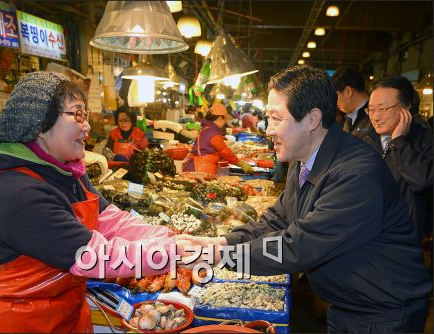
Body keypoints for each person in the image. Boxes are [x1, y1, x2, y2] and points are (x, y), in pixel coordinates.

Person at [177, 65, 431, 333]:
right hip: (348, 303)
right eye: (268, 118)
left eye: (277, 119)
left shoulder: (356, 174)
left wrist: (217, 255)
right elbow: (278, 219)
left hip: (383, 313)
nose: (269, 129)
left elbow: (298, 245)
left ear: (312, 119)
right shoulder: (305, 159)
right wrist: (220, 241)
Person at [0, 72, 180, 332]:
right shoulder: (18, 193)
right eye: (77, 115)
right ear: (38, 124)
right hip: (22, 323)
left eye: (86, 116)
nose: (87, 127)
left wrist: (172, 237)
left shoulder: (66, 173)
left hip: (69, 314)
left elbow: (111, 220)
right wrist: (177, 253)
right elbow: (97, 258)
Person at [365, 75, 433, 238]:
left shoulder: (425, 141)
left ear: (406, 108)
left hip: (404, 239)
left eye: (382, 109)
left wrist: (398, 142)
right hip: (366, 235)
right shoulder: (365, 141)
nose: (375, 117)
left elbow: (421, 181)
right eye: (371, 109)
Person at [182, 103, 253, 175]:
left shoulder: (207, 128)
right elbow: (225, 152)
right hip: (202, 168)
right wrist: (241, 163)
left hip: (197, 166)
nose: (225, 122)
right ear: (220, 117)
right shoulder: (213, 132)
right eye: (225, 119)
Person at [331, 67, 376, 141]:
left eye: (336, 96)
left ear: (348, 91)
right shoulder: (348, 119)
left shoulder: (374, 116)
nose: (335, 102)